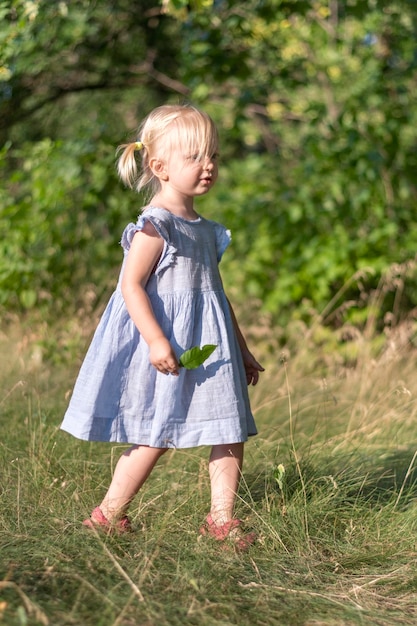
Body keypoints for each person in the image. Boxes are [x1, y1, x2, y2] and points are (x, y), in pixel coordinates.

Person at [61, 103, 264, 549]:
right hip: (168, 344)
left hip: (210, 347)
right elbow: (130, 285)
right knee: (157, 434)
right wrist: (155, 340)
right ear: (160, 166)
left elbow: (216, 296)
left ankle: (221, 520)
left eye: (212, 155)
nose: (207, 166)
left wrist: (242, 349)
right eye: (194, 157)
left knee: (229, 427)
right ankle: (108, 514)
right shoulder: (158, 225)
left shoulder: (207, 230)